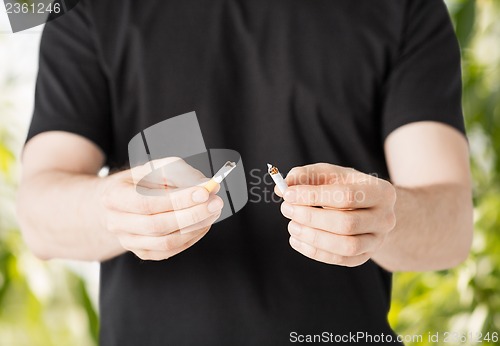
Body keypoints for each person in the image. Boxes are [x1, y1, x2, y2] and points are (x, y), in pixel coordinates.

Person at [17, 0, 473, 345]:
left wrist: (383, 219)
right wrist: (111, 209)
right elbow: (38, 217)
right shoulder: (90, 9)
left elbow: (451, 227)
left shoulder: (405, 7)